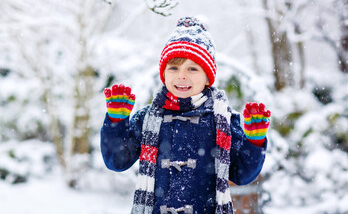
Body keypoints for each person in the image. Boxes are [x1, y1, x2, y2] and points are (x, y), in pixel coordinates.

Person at [100, 17, 271, 214]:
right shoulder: (147, 119)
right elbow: (117, 161)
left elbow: (242, 174)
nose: (182, 75)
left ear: (208, 77)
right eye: (174, 67)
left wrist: (254, 142)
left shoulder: (222, 122)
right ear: (164, 74)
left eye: (192, 68)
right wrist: (116, 122)